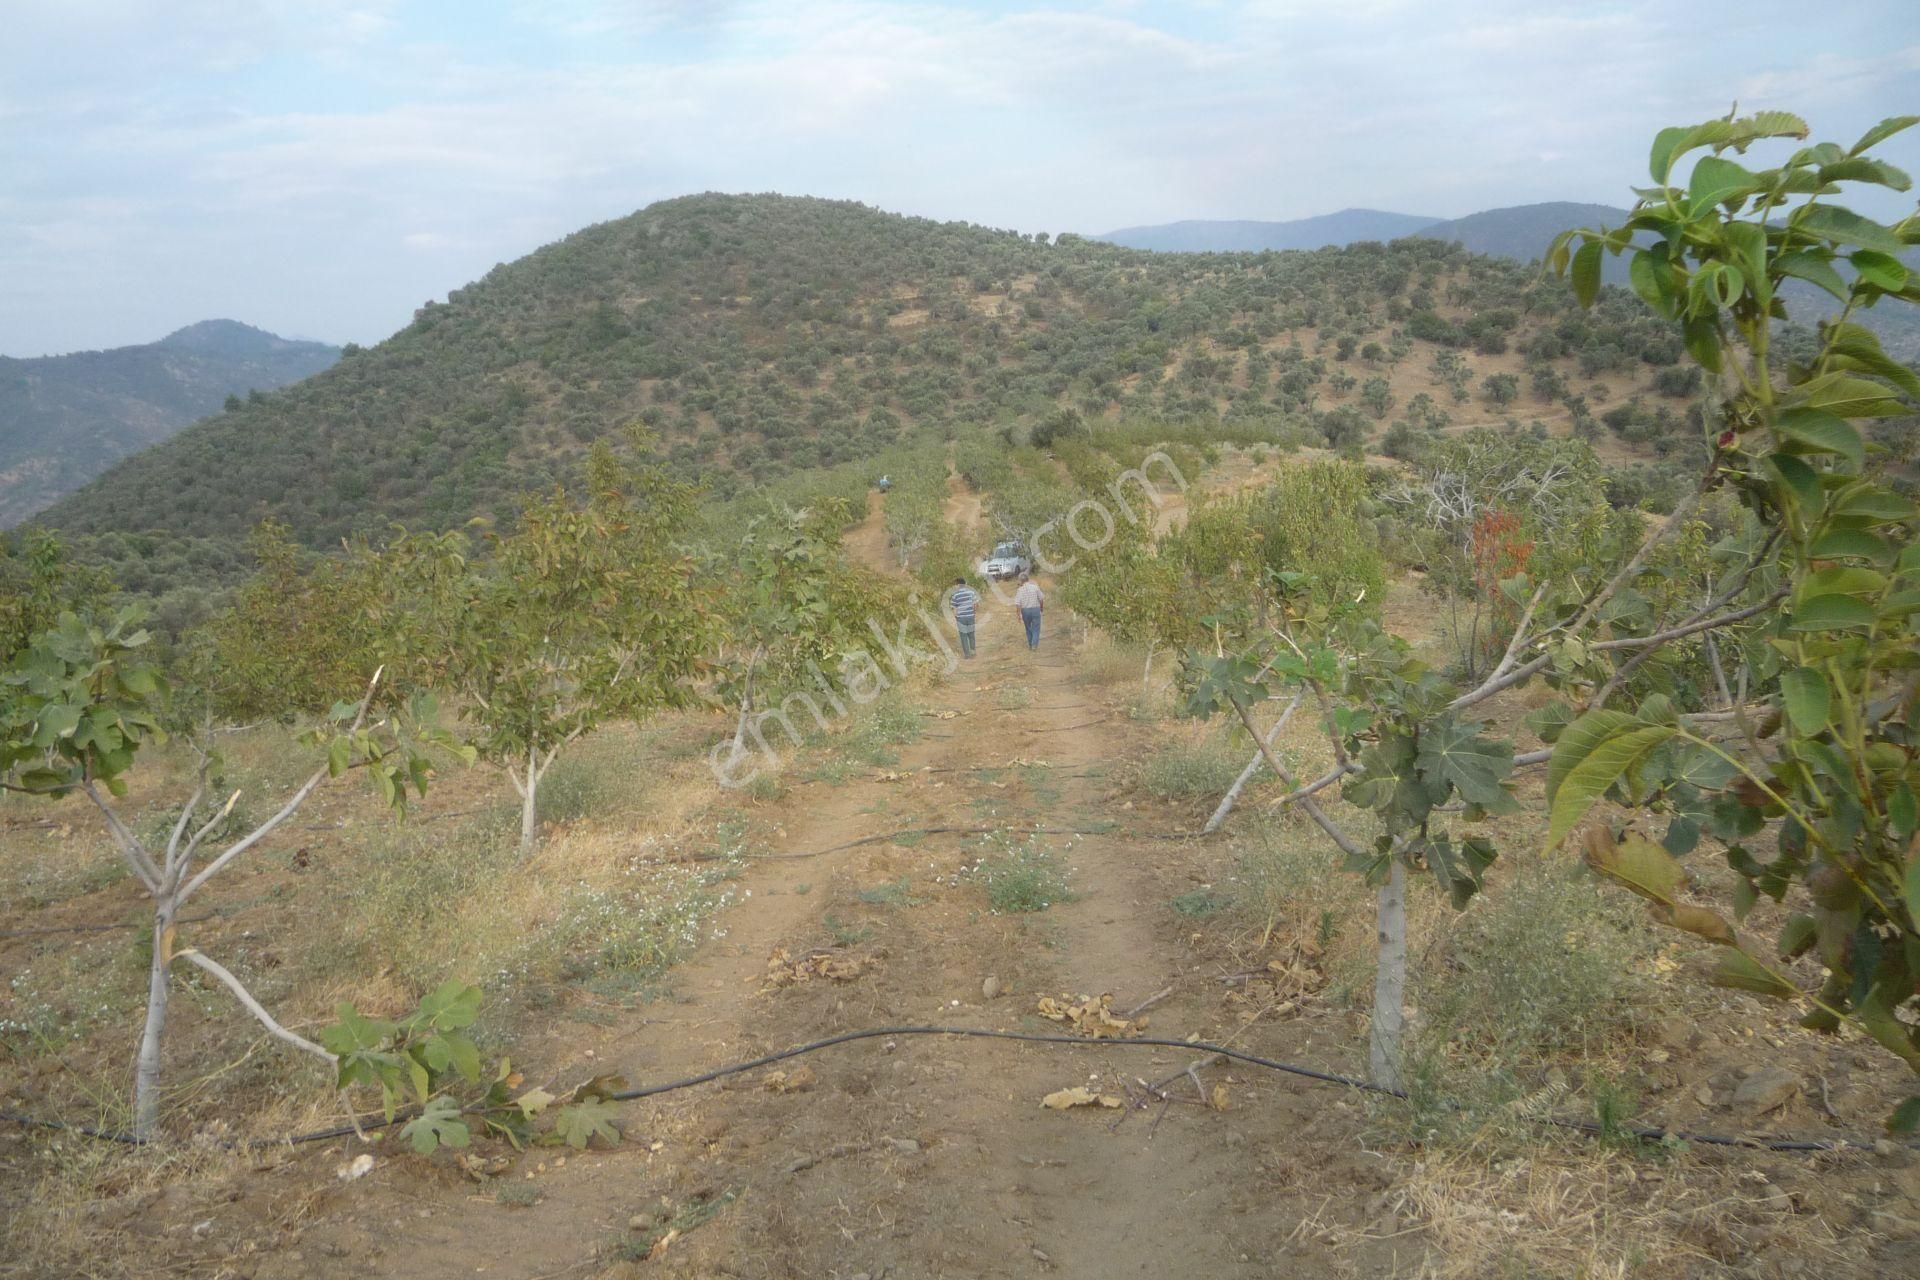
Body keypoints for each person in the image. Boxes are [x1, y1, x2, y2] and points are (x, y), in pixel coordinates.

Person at [948, 576, 978, 658]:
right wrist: (973, 613)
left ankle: (967, 654)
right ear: (965, 584)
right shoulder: (971, 593)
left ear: (957, 585)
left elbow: (954, 608)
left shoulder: (955, 595)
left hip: (961, 618)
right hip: (970, 616)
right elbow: (975, 604)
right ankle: (973, 652)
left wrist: (956, 617)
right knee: (971, 634)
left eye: (955, 584)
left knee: (963, 636)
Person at [1013, 574, 1044, 651]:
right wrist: (1041, 608)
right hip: (1035, 609)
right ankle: (1034, 645)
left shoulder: (1020, 590)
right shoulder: (1035, 587)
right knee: (1036, 628)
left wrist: (1018, 615)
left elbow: (1017, 604)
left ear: (1021, 581)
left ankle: (1030, 644)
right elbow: (1041, 598)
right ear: (1028, 579)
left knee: (1028, 628)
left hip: (1025, 611)